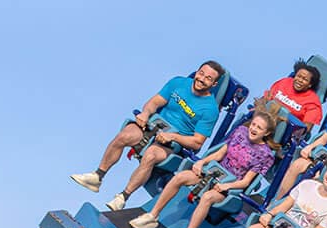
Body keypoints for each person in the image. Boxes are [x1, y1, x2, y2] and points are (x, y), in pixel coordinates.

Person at [72, 60, 226, 210]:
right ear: (197, 72)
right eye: (201, 73)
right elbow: (154, 102)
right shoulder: (178, 83)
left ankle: (123, 197)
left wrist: (173, 137)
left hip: (174, 142)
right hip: (154, 126)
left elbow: (197, 142)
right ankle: (97, 176)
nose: (202, 79)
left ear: (214, 85)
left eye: (208, 78)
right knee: (125, 135)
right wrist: (145, 113)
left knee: (151, 155)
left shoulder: (210, 109)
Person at [130, 106, 280, 228]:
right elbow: (220, 153)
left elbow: (246, 182)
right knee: (180, 177)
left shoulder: (265, 155)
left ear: (266, 133)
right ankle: (152, 216)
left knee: (207, 197)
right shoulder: (241, 132)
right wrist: (202, 162)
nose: (253, 129)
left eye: (259, 128)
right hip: (214, 172)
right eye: (253, 124)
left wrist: (226, 186)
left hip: (230, 187)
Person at [261, 60, 324, 129]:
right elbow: (266, 98)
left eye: (305, 79)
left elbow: (305, 129)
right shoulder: (284, 82)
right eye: (298, 76)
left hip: (284, 130)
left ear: (310, 85)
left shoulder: (313, 102)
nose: (299, 80)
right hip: (263, 119)